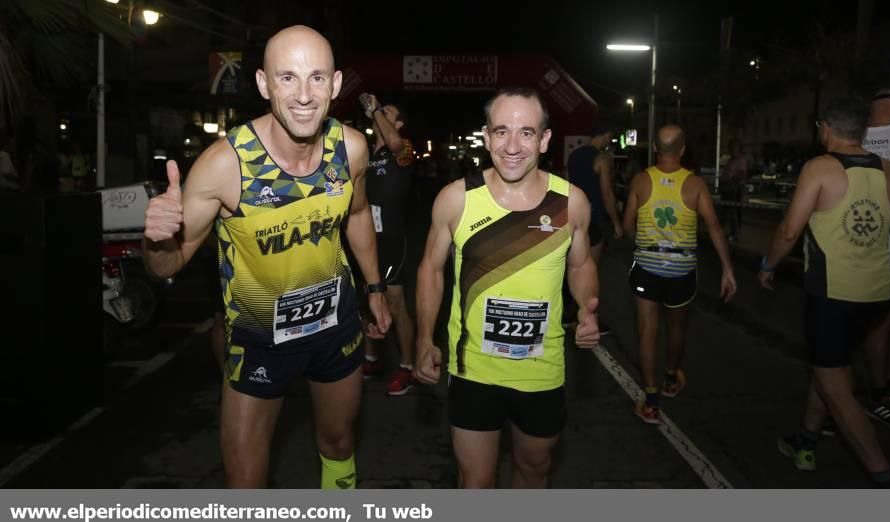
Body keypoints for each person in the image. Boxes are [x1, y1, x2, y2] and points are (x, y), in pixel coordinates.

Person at [143, 25, 391, 489]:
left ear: (335, 85)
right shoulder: (225, 165)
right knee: (246, 484)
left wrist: (375, 287)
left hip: (334, 322)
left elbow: (357, 215)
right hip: (257, 337)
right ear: (263, 84)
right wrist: (157, 239)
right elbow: (166, 266)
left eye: (317, 78)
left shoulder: (350, 148)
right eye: (287, 77)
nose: (303, 94)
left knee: (338, 444)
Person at [414, 87, 601, 488]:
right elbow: (430, 268)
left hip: (541, 369)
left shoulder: (571, 202)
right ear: (486, 137)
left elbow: (581, 263)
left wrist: (587, 308)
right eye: (501, 132)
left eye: (527, 133)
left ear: (545, 140)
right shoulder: (456, 200)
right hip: (473, 368)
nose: (513, 146)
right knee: (476, 481)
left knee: (534, 468)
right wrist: (424, 337)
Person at [759, 96, 890, 487]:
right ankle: (805, 440)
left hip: (834, 294)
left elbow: (789, 230)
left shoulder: (820, 168)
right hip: (878, 294)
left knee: (838, 389)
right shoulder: (889, 171)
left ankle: (882, 474)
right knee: (830, 366)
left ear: (826, 128)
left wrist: (768, 265)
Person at [623, 125, 736, 424]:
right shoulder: (696, 184)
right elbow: (713, 227)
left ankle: (650, 401)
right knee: (677, 328)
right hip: (682, 270)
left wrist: (647, 240)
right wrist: (727, 269)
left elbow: (627, 226)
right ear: (683, 150)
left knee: (647, 332)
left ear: (656, 149)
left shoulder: (640, 180)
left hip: (647, 267)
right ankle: (671, 379)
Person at [357, 93, 417, 396]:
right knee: (367, 299)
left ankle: (406, 366)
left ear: (399, 122)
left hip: (392, 241)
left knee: (396, 303)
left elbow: (394, 144)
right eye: (379, 111)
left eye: (387, 112)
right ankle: (371, 358)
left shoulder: (403, 150)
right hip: (366, 240)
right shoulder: (365, 154)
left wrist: (375, 108)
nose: (379, 114)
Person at [860, 86, 890, 429]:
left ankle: (879, 390)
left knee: (875, 325)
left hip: (858, 253)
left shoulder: (850, 136)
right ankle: (886, 389)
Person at [565, 123, 623, 335]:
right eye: (610, 137)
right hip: (594, 220)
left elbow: (568, 185)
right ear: (605, 134)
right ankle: (588, 321)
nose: (610, 141)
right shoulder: (603, 159)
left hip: (574, 219)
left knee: (574, 268)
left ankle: (570, 316)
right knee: (591, 273)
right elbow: (607, 194)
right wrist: (617, 223)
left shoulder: (573, 156)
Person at [720, 139, 748, 241]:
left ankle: (734, 234)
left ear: (738, 148)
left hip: (733, 189)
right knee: (724, 212)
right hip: (727, 188)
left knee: (733, 212)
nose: (731, 150)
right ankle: (723, 232)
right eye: (730, 147)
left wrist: (731, 179)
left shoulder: (741, 159)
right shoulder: (730, 160)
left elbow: (742, 174)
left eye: (733, 147)